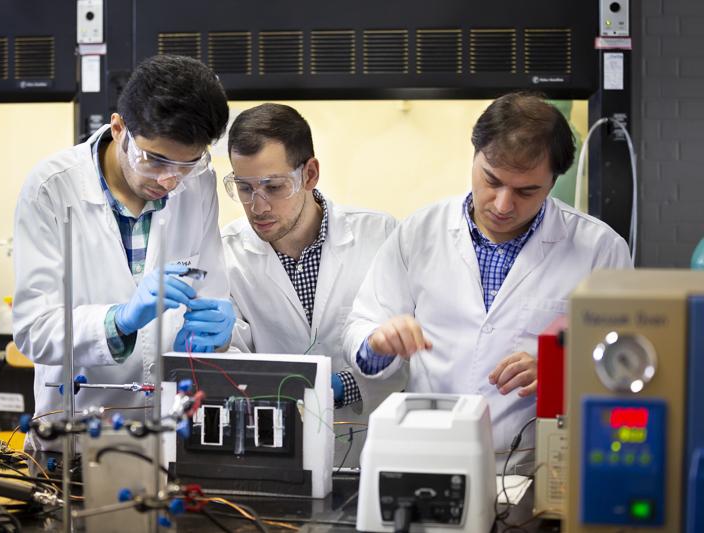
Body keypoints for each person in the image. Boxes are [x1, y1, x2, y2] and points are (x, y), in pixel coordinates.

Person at [343, 92, 632, 470]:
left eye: (526, 191)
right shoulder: (420, 231)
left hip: (531, 469)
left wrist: (563, 369)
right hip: (428, 459)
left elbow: (627, 363)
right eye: (491, 180)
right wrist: (379, 341)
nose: (502, 205)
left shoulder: (599, 249)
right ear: (475, 154)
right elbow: (360, 326)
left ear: (553, 181)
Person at [13, 55, 235, 450]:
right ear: (118, 129)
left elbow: (211, 290)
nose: (170, 180)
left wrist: (215, 332)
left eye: (189, 163)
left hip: (170, 436)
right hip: (74, 441)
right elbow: (33, 329)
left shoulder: (198, 184)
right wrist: (120, 321)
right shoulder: (52, 188)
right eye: (155, 160)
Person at [221, 103, 405, 468]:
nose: (257, 207)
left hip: (371, 451)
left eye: (273, 187)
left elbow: (405, 353)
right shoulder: (226, 255)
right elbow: (232, 365)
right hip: (273, 453)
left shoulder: (380, 235)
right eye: (243, 188)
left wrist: (338, 386)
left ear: (310, 174)